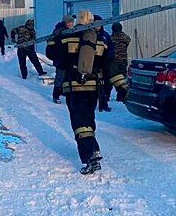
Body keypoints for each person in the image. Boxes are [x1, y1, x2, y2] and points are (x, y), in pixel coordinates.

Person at [52, 10, 128, 174]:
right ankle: (90, 146)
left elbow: (52, 54)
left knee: (80, 123)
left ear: (77, 21)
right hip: (93, 88)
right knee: (88, 120)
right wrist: (121, 86)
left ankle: (91, 154)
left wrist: (56, 34)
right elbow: (110, 66)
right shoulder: (101, 40)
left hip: (74, 87)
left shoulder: (65, 37)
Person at [46, 14, 74, 104]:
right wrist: (57, 58)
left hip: (68, 59)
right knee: (60, 77)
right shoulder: (59, 32)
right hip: (61, 59)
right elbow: (53, 47)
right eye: (69, 22)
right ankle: (56, 95)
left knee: (67, 77)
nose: (70, 24)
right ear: (65, 22)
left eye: (72, 22)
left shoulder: (70, 31)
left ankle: (64, 92)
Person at [93, 15, 114, 112]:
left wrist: (109, 58)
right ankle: (97, 102)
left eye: (99, 24)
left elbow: (111, 49)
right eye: (96, 24)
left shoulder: (105, 35)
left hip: (105, 63)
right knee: (96, 84)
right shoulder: (90, 35)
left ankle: (105, 102)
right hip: (94, 64)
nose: (98, 26)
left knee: (107, 84)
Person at [111, 22, 131, 101]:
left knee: (115, 79)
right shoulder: (125, 37)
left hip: (114, 61)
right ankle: (122, 95)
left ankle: (116, 94)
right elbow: (128, 41)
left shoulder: (111, 38)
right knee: (122, 79)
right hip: (123, 61)